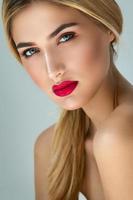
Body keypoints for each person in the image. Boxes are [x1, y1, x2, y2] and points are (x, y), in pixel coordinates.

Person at [2, 0, 133, 200]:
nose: (53, 70)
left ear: (108, 29)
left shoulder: (119, 136)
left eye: (66, 37)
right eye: (31, 51)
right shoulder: (51, 146)